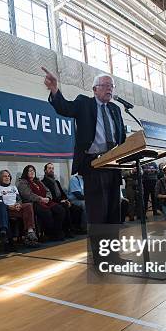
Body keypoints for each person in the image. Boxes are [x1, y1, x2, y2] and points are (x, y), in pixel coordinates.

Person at [42, 68, 126, 227]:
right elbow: (64, 108)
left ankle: (113, 251)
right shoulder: (84, 103)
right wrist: (54, 89)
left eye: (112, 86)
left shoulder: (115, 109)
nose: (110, 88)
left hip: (114, 165)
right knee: (98, 214)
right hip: (93, 165)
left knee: (114, 213)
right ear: (95, 89)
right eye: (106, 85)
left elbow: (121, 137)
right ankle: (99, 252)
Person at [17, 165, 66, 241]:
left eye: (33, 170)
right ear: (26, 172)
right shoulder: (22, 182)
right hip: (34, 203)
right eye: (30, 170)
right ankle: (50, 233)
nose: (32, 172)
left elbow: (48, 191)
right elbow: (28, 195)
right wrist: (41, 199)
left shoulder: (38, 181)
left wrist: (48, 198)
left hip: (46, 201)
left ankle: (57, 231)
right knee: (47, 212)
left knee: (60, 210)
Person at [0, 169, 40, 247]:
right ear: (0, 178)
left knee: (28, 205)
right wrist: (9, 207)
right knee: (27, 212)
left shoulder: (13, 187)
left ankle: (30, 231)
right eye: (5, 176)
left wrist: (18, 204)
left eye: (8, 176)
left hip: (16, 207)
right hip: (7, 210)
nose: (7, 178)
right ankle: (28, 238)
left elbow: (19, 199)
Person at [42, 163, 84, 235]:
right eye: (49, 168)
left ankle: (77, 228)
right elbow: (50, 195)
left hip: (62, 200)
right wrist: (61, 201)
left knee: (77, 209)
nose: (51, 170)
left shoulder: (57, 182)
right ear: (45, 170)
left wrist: (66, 200)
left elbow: (62, 193)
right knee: (64, 207)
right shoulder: (43, 182)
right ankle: (67, 229)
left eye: (52, 168)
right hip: (54, 202)